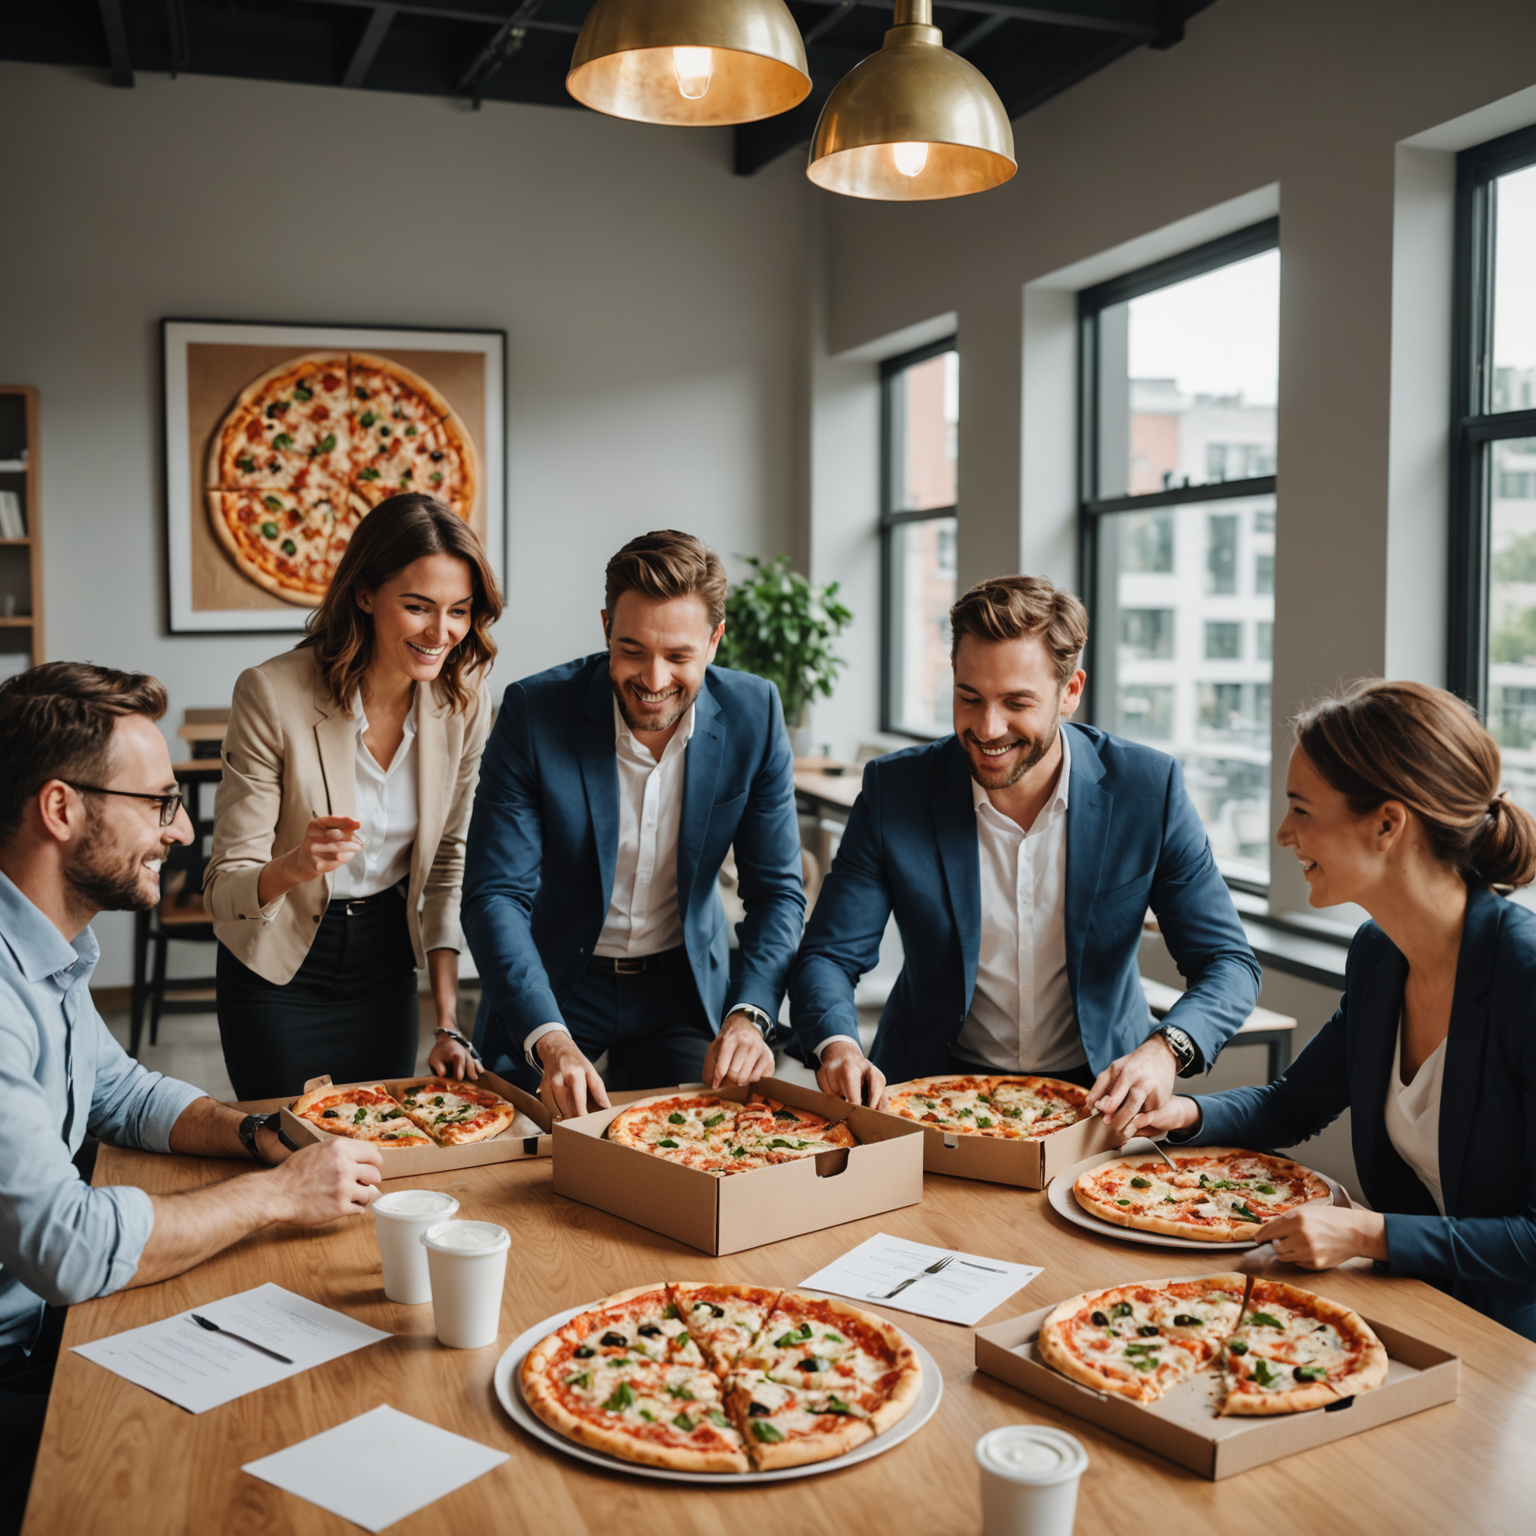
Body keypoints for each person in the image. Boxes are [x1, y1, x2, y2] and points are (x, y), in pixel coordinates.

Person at [0, 663, 383, 1525]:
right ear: (61, 810)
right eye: (158, 804)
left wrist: (257, 1136)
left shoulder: (45, 950)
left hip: (49, 1337)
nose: (178, 834)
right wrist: (277, 1195)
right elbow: (65, 1246)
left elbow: (120, 1091)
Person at [1135, 680, 1536, 1340]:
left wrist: (1368, 1232)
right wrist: (1183, 1114)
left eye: (1300, 808)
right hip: (1415, 1307)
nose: (1283, 833)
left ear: (1387, 823)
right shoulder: (1380, 953)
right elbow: (1295, 1103)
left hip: (1512, 1344)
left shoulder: (1523, 976)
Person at [790, 574, 1262, 1119]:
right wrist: (838, 1046)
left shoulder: (1147, 790)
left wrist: (1165, 1050)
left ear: (1071, 692)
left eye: (1016, 702)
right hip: (929, 1090)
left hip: (1098, 1098)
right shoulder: (895, 791)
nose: (988, 728)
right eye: (969, 697)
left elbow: (1228, 963)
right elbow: (829, 954)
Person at [464, 530, 805, 1118]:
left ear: (715, 641)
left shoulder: (756, 714)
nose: (652, 679)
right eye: (631, 650)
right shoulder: (532, 712)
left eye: (678, 656)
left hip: (682, 984)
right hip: (554, 980)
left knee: (699, 1149)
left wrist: (750, 1016)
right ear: (604, 629)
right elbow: (495, 893)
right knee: (507, 1143)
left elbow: (776, 893)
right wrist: (548, 1036)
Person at [205, 494, 500, 1099]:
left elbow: (448, 868)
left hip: (386, 963)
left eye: (459, 612)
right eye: (417, 607)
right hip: (277, 965)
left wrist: (447, 1020)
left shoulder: (464, 703)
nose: (440, 633)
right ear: (365, 595)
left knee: (381, 1149)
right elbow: (224, 885)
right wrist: (294, 865)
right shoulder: (270, 693)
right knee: (290, 1152)